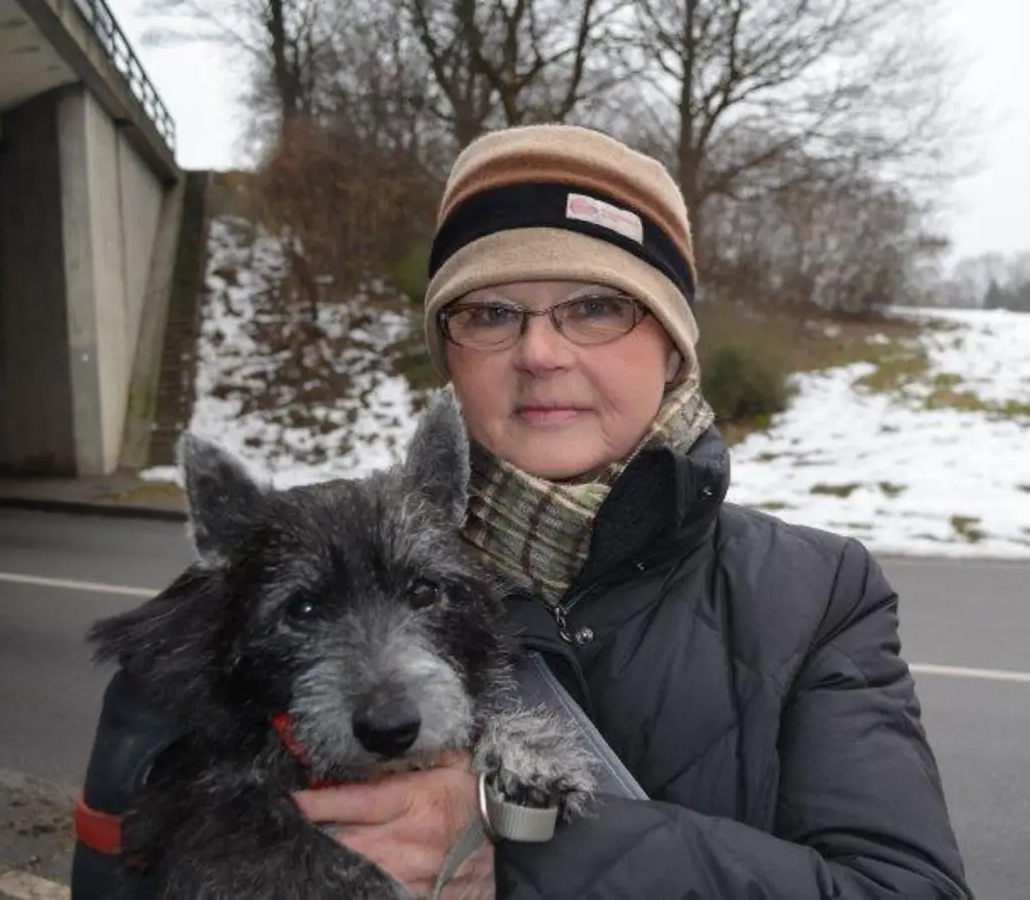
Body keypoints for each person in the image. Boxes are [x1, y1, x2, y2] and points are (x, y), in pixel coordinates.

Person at [290, 124, 972, 899]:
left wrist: (518, 845)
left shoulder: (817, 595)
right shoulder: (293, 574)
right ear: (448, 354)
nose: (540, 354)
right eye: (489, 314)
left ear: (674, 348)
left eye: (596, 307)